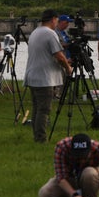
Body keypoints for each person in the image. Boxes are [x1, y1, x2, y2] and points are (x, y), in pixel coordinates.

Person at [24, 9, 73, 143]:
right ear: (53, 19)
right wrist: (68, 67)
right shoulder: (50, 33)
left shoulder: (35, 32)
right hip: (44, 78)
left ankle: (36, 136)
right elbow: (58, 55)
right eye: (56, 20)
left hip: (33, 75)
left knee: (37, 108)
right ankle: (41, 139)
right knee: (44, 109)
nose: (57, 22)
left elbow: (46, 54)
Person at [38, 133, 99, 197]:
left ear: (90, 149)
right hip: (69, 178)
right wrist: (75, 196)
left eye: (84, 156)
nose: (81, 160)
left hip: (92, 179)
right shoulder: (61, 147)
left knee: (89, 173)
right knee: (44, 193)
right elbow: (61, 178)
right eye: (78, 156)